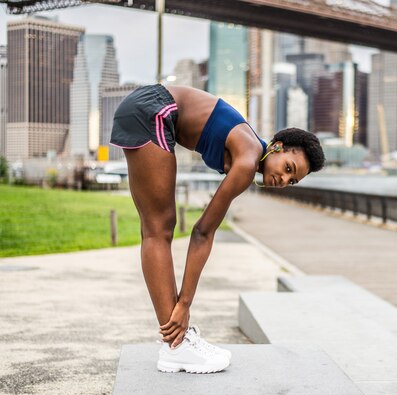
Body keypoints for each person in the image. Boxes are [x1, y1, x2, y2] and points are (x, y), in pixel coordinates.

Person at [110, 84, 325, 373]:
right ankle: (177, 344)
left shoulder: (248, 147)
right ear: (276, 146)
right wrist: (184, 303)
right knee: (158, 229)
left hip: (148, 107)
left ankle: (177, 342)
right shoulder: (248, 159)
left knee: (157, 228)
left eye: (293, 180)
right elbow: (203, 232)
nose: (284, 180)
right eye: (288, 167)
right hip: (155, 110)